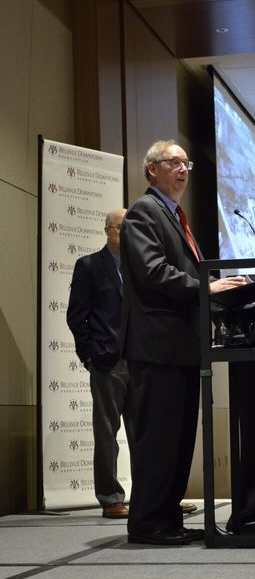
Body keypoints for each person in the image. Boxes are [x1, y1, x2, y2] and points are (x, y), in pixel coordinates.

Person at [120, 139, 246, 545]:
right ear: (152, 169)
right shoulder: (144, 211)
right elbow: (153, 271)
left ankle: (167, 517)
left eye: (185, 162)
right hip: (157, 348)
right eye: (173, 162)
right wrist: (207, 288)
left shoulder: (175, 216)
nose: (183, 169)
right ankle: (147, 523)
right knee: (158, 439)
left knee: (177, 440)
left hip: (182, 348)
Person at [67, 208, 130, 519]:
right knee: (106, 432)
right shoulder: (89, 266)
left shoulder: (140, 268)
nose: (128, 234)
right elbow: (76, 316)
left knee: (147, 432)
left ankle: (154, 496)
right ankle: (110, 498)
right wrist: (90, 355)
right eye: (122, 228)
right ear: (108, 231)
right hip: (107, 362)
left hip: (143, 359)